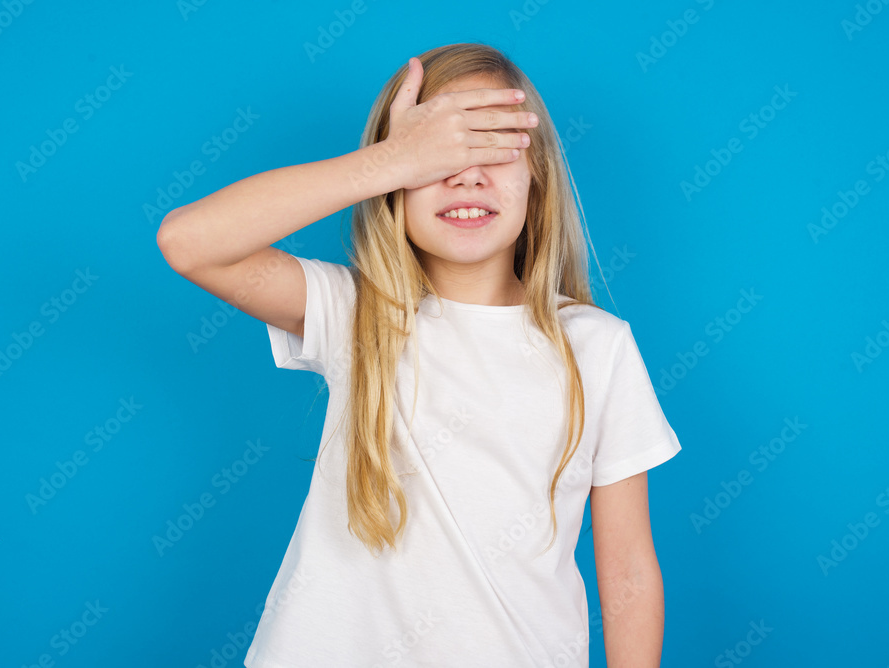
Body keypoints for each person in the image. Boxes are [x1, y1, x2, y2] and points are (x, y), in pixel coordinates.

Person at [157, 42, 682, 668]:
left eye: (492, 149)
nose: (466, 174)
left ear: (536, 178)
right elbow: (188, 243)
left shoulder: (597, 346)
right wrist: (388, 161)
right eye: (440, 153)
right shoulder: (356, 312)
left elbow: (626, 573)